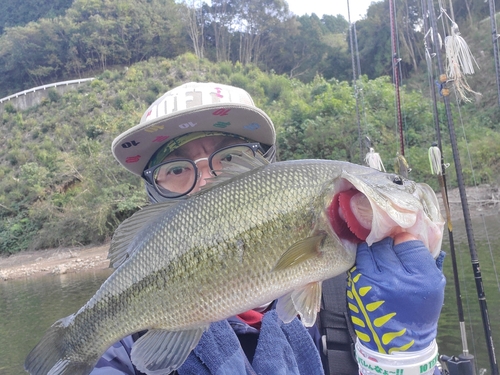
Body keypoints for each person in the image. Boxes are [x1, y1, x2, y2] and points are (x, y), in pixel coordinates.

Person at [92, 82, 446, 375]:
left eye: (230, 159)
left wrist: (405, 360)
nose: (206, 183)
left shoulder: (359, 300)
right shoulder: (117, 344)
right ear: (153, 195)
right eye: (176, 170)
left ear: (270, 173)